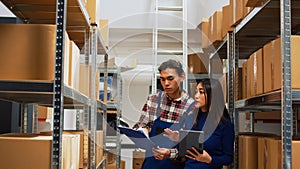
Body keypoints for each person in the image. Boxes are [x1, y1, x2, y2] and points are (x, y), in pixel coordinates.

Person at [152, 78, 235, 169]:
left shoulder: (224, 125)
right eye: (196, 92)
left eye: (201, 92)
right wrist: (174, 144)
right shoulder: (191, 119)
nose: (196, 96)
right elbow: (184, 154)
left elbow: (228, 158)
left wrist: (209, 159)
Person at [133, 59, 195, 169]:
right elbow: (141, 124)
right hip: (151, 163)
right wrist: (142, 130)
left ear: (182, 76)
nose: (166, 83)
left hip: (175, 165)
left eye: (170, 79)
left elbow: (190, 146)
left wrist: (169, 153)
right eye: (162, 79)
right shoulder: (154, 99)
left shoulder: (191, 106)